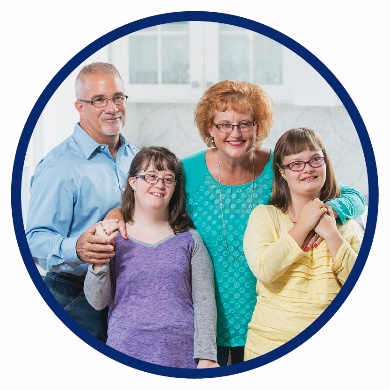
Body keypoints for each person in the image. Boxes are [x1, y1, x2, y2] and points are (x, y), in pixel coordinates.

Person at [104, 80, 365, 365]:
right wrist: (115, 216)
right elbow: (148, 197)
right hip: (203, 317)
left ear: (258, 127)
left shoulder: (278, 167)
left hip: (265, 319)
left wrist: (330, 211)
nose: (235, 133)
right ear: (210, 129)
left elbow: (349, 194)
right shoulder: (186, 171)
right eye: (224, 125)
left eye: (245, 124)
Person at [25, 62, 139, 341]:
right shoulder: (58, 167)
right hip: (72, 296)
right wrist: (76, 247)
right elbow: (32, 240)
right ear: (80, 107)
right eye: (99, 99)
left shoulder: (136, 157)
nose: (112, 108)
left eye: (118, 97)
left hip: (122, 294)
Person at [84, 146, 219, 369]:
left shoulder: (189, 239)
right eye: (151, 177)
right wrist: (99, 261)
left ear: (175, 187)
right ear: (133, 182)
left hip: (180, 353)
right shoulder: (112, 236)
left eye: (168, 179)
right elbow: (97, 302)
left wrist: (207, 356)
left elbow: (204, 302)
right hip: (124, 349)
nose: (159, 185)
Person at [242, 127, 364, 359]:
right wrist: (303, 225)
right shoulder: (264, 216)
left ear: (325, 163)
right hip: (268, 347)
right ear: (283, 173)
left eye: (315, 160)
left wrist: (330, 233)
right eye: (296, 163)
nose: (308, 168)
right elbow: (265, 270)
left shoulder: (346, 225)